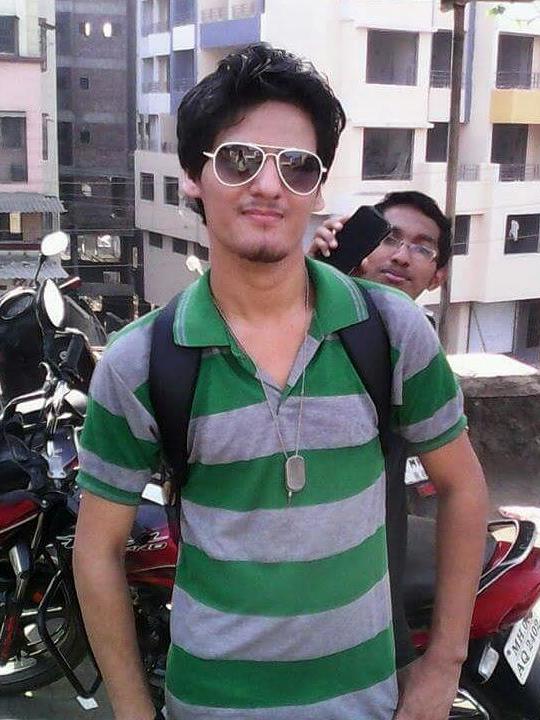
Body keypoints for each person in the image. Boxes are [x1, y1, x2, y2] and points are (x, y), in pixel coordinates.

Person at [73, 43, 488, 720]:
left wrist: (443, 664)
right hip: (212, 705)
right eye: (240, 160)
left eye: (297, 166)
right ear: (193, 176)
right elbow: (97, 552)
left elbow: (463, 487)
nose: (269, 186)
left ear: (317, 190)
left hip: (367, 703)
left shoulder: (390, 330)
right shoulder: (140, 362)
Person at [309, 190, 451, 303]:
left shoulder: (421, 331)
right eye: (389, 239)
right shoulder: (314, 309)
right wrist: (310, 277)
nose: (401, 257)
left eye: (422, 249)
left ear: (437, 278)